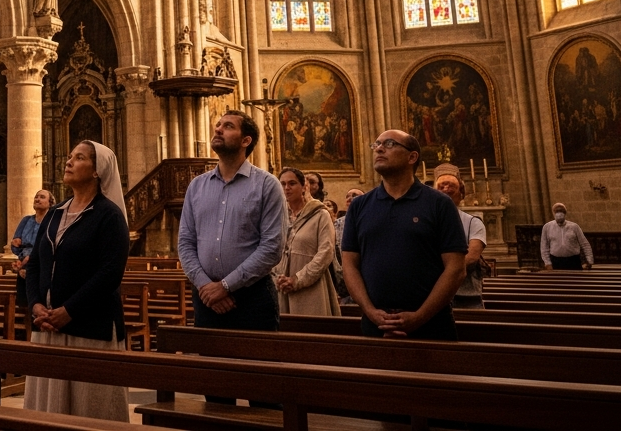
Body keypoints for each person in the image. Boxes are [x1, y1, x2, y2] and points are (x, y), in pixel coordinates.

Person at [23, 142, 130, 422]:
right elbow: (35, 263)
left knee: (91, 411)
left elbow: (110, 273)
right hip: (48, 327)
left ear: (97, 171)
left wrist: (68, 310)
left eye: (79, 158)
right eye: (69, 156)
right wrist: (35, 304)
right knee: (47, 413)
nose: (68, 162)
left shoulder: (109, 215)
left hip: (91, 328)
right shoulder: (55, 213)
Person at [341, 131, 466, 340]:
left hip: (431, 326)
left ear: (412, 157)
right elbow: (349, 265)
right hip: (375, 326)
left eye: (389, 144)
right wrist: (371, 312)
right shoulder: (359, 206)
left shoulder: (439, 204)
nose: (379, 148)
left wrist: (419, 317)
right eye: (377, 144)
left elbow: (455, 269)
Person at [178, 111, 285, 332]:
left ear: (246, 140)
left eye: (227, 126)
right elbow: (186, 242)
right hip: (206, 299)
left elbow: (271, 248)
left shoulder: (267, 185)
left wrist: (226, 287)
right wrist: (207, 287)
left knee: (255, 366)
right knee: (209, 365)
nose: (218, 129)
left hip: (252, 298)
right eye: (218, 125)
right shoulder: (197, 186)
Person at [274, 168, 340, 317]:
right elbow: (271, 249)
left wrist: (297, 280)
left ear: (304, 187)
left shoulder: (320, 214)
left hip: (312, 287)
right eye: (283, 184)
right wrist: (277, 278)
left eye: (292, 183)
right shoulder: (279, 216)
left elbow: (326, 252)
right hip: (281, 287)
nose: (286, 188)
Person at [434, 172, 487, 308]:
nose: (446, 189)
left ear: (461, 194)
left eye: (451, 188)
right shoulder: (425, 221)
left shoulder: (473, 223)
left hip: (465, 296)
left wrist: (434, 273)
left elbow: (471, 257)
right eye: (441, 187)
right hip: (430, 296)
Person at [11, 189, 54, 308]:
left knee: (40, 304)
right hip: (24, 268)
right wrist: (18, 250)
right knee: (24, 303)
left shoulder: (52, 221)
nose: (37, 199)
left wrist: (30, 258)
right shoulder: (26, 220)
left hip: (42, 267)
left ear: (50, 203)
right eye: (36, 197)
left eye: (42, 197)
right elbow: (15, 246)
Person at [541, 203, 593, 270]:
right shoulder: (547, 227)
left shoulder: (574, 227)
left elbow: (585, 244)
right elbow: (544, 247)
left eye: (561, 211)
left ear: (565, 213)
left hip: (573, 260)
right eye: (557, 211)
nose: (559, 214)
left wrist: (589, 260)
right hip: (556, 261)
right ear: (553, 213)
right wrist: (547, 263)